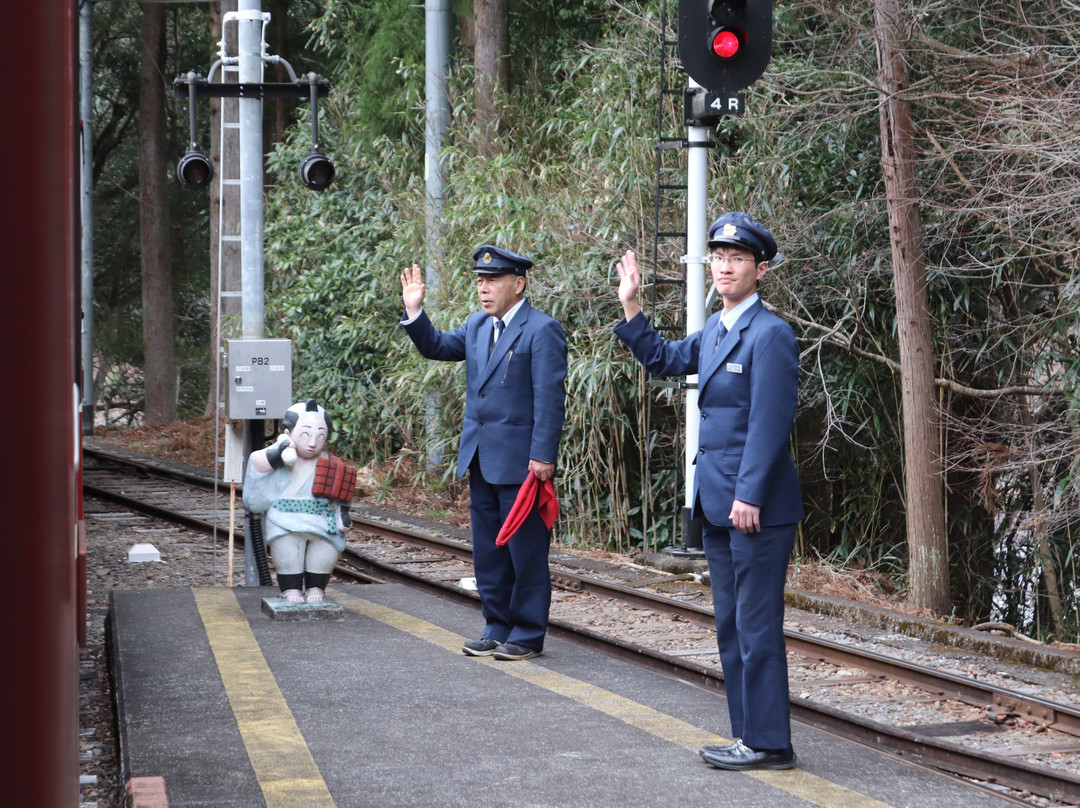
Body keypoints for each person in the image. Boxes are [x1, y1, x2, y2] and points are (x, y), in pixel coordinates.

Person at [613, 212, 803, 771]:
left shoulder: (771, 335)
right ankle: (750, 736)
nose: (724, 265)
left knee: (757, 624)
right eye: (718, 257)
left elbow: (769, 425)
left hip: (756, 507)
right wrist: (631, 305)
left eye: (737, 258)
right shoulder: (718, 328)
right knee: (730, 625)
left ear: (760, 269)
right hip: (717, 502)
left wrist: (749, 495)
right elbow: (665, 358)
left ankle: (769, 742)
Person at [400, 245, 568, 661]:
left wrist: (543, 455)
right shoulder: (477, 326)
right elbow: (436, 347)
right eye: (479, 280)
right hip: (480, 457)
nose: (483, 288)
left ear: (518, 283)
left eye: (492, 280)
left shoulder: (541, 329)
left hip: (523, 464)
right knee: (489, 551)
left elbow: (550, 399)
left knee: (525, 553)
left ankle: (527, 634)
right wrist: (416, 312)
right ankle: (496, 626)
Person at [243, 399, 357, 604]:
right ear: (288, 432)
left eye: (320, 436)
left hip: (323, 519)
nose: (313, 442)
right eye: (305, 434)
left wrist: (343, 514)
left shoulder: (331, 463)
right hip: (285, 519)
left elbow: (342, 493)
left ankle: (316, 588)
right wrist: (281, 451)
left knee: (322, 557)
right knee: (288, 556)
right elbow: (256, 471)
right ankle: (291, 589)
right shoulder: (276, 458)